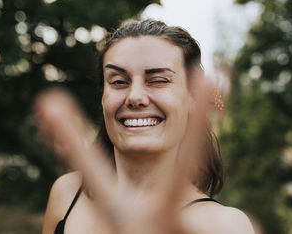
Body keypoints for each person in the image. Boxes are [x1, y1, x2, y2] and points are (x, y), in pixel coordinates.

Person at [35, 19, 255, 234]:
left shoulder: (225, 225)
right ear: (103, 96)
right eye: (119, 81)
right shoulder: (67, 193)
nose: (135, 97)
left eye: (158, 80)